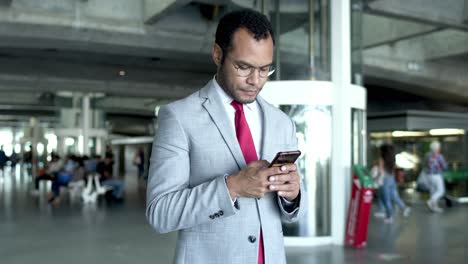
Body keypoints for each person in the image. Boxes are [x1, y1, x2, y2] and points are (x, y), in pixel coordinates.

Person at [146, 9, 306, 264]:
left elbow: (293, 212)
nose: (255, 80)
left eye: (265, 70)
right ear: (218, 54)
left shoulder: (282, 122)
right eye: (243, 67)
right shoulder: (178, 117)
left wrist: (293, 195)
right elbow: (160, 213)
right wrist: (232, 187)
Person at [377, 144, 411, 223]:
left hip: (384, 180)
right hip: (392, 179)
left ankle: (389, 216)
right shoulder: (392, 159)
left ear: (382, 151)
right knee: (393, 196)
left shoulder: (381, 159)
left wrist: (376, 179)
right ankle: (404, 208)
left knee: (386, 198)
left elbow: (380, 171)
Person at [424, 141, 448, 213]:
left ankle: (434, 207)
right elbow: (444, 166)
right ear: (437, 148)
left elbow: (425, 164)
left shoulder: (427, 155)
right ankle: (431, 201)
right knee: (441, 190)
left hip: (429, 175)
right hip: (436, 175)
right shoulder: (439, 156)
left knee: (433, 191)